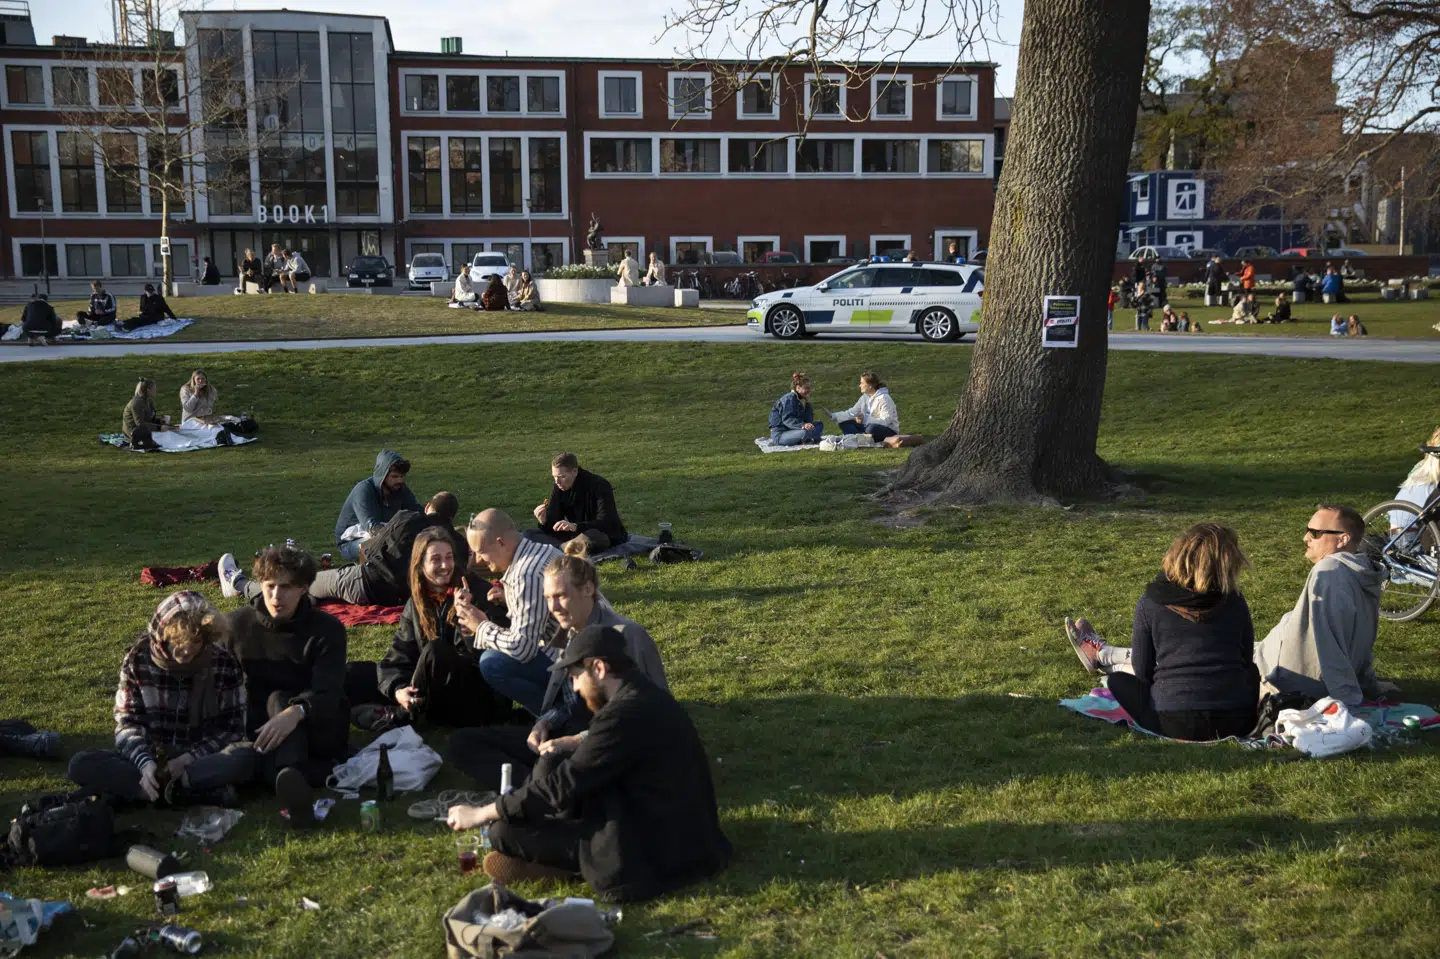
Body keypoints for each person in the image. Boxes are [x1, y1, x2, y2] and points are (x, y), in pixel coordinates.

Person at [445, 625, 731, 899]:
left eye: (575, 677)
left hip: (649, 850)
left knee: (502, 832)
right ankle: (551, 854)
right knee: (551, 761)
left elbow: (563, 785)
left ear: (599, 668)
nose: (575, 688)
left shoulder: (624, 715)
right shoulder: (642, 695)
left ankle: (567, 864)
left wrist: (483, 813)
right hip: (667, 824)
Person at [1075, 506, 1389, 709]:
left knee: (1184, 659)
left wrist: (1348, 699)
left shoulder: (1328, 572)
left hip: (1277, 669)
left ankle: (1105, 657)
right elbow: (1362, 636)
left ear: (1342, 539)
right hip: (1272, 656)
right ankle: (1105, 654)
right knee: (1191, 652)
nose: (1306, 537)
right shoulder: (1365, 573)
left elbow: (1328, 640)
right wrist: (1367, 681)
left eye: (1316, 533)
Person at [449, 556, 667, 793]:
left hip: (606, 746)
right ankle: (539, 789)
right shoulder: (571, 631)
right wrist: (544, 723)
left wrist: (576, 741)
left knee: (553, 762)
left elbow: (649, 719)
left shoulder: (627, 636)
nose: (553, 607)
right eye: (548, 598)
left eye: (560, 596)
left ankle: (540, 792)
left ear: (588, 589)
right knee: (462, 743)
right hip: (568, 733)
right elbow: (568, 702)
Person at [1062, 524, 1260, 740]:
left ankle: (1104, 658)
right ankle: (1103, 656)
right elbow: (1245, 660)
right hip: (1237, 722)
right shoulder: (1235, 601)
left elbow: (1142, 670)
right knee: (1251, 672)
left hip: (1171, 723)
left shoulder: (1151, 603)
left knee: (1117, 681)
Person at [69, 591, 251, 806]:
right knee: (81, 763)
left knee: (245, 758)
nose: (187, 650)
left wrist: (188, 759)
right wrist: (145, 763)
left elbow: (232, 728)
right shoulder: (138, 659)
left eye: (195, 641)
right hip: (152, 757)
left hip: (199, 758)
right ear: (162, 636)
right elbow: (128, 723)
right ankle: (178, 792)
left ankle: (150, 793)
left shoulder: (222, 661)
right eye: (178, 641)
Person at [219, 545, 348, 824]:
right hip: (259, 729)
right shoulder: (236, 626)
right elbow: (220, 687)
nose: (276, 596)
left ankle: (288, 774)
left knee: (279, 698)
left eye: (286, 587)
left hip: (315, 724)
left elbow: (329, 692)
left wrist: (296, 712)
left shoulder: (327, 630)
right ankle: (290, 777)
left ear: (303, 588)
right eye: (270, 586)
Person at [344, 527, 511, 731]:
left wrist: (468, 621)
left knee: (436, 651)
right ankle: (401, 705)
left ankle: (400, 716)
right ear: (420, 565)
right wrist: (399, 689)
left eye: (449, 557)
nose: (445, 565)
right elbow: (400, 655)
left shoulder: (478, 592)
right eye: (436, 559)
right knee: (354, 673)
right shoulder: (417, 603)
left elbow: (495, 658)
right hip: (431, 687)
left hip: (476, 696)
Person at [240, 491, 467, 608]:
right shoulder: (458, 544)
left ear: (428, 507)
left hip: (366, 585)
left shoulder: (407, 519)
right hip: (407, 599)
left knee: (303, 582)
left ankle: (241, 585)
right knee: (315, 591)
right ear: (452, 517)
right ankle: (308, 601)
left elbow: (371, 550)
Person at [455, 509, 565, 717]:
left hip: (577, 662)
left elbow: (523, 649)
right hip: (594, 650)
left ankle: (559, 717)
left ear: (501, 543)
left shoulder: (525, 575)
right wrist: (510, 598)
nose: (477, 561)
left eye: (480, 552)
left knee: (492, 662)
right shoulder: (543, 550)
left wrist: (481, 626)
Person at [529, 453, 628, 557]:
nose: (557, 481)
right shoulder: (559, 486)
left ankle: (558, 549)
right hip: (574, 534)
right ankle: (564, 548)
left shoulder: (600, 485)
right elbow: (554, 523)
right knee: (529, 533)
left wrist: (576, 526)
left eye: (562, 476)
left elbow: (606, 522)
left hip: (602, 534)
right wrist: (544, 521)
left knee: (591, 538)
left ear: (574, 472)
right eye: (554, 477)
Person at [334, 450, 421, 562]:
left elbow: (418, 512)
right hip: (350, 543)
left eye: (402, 476)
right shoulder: (364, 490)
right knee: (385, 547)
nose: (400, 480)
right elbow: (373, 528)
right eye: (394, 476)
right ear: (382, 475)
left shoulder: (400, 489)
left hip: (384, 534)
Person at [832, 372, 899, 444]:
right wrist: (834, 415)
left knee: (871, 428)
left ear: (870, 385)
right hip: (867, 428)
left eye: (862, 383)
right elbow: (852, 412)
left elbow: (886, 421)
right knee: (844, 422)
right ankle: (859, 439)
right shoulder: (864, 397)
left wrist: (865, 419)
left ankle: (858, 438)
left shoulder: (884, 398)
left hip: (887, 430)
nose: (860, 385)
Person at [768, 372, 824, 446]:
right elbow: (788, 419)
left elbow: (808, 421)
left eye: (810, 387)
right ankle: (808, 438)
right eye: (806, 388)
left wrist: (808, 403)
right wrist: (803, 425)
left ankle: (806, 439)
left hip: (793, 430)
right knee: (804, 432)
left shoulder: (798, 399)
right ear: (798, 388)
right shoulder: (789, 399)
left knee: (819, 424)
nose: (810, 390)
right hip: (781, 434)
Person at [123, 377, 173, 450]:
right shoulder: (137, 403)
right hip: (134, 432)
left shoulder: (148, 401)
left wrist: (161, 422)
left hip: (145, 429)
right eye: (154, 389)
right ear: (148, 390)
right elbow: (140, 424)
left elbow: (149, 419)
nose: (156, 390)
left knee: (170, 434)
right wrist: (159, 427)